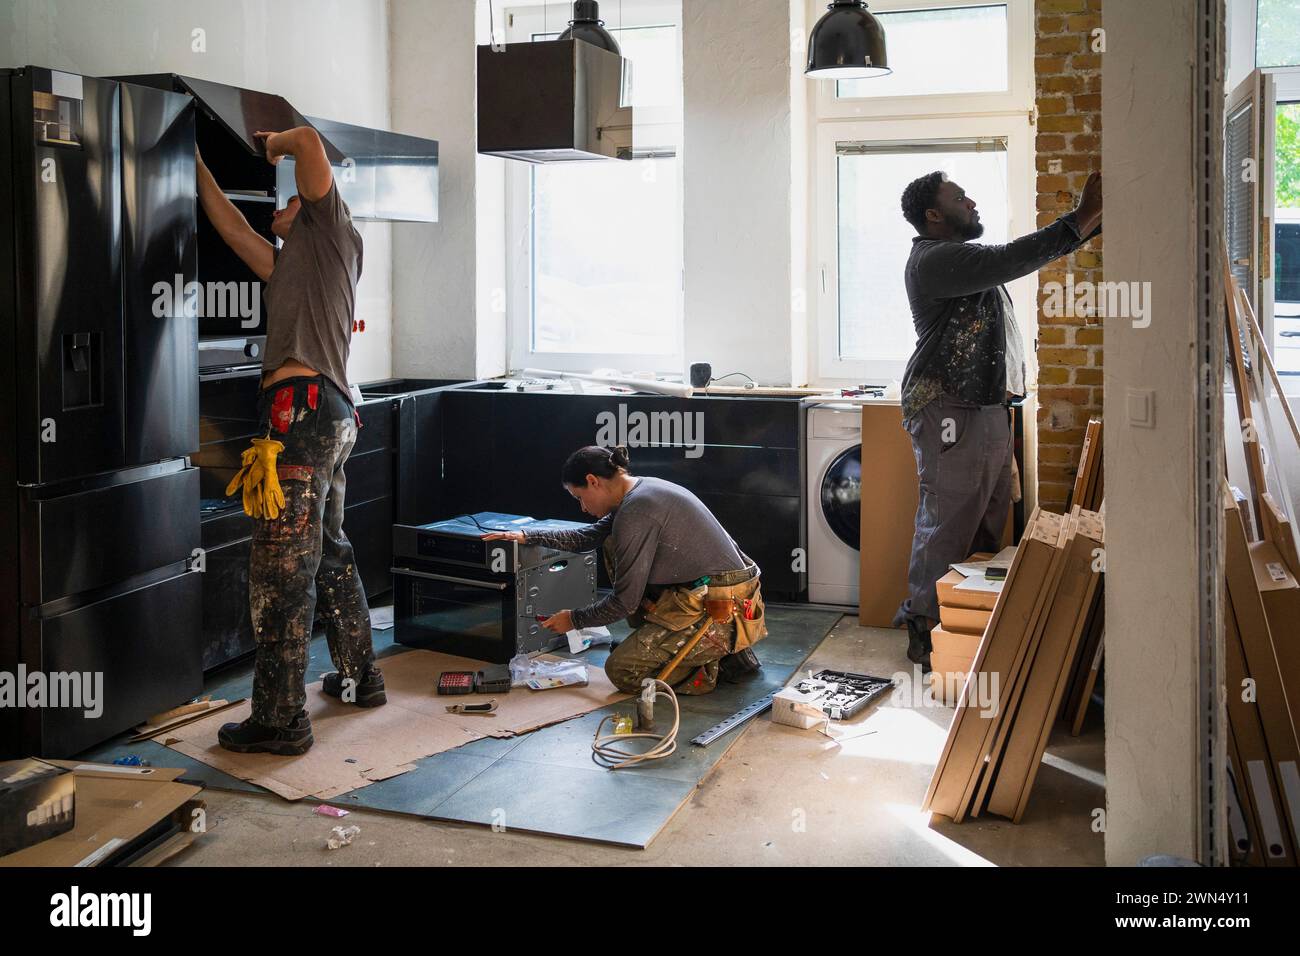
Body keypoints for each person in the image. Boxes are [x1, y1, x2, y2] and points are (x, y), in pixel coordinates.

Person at [196, 126, 383, 756]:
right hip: (328, 414)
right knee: (327, 554)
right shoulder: (293, 262)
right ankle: (363, 674)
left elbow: (306, 140)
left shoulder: (329, 228)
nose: (279, 204)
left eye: (290, 197)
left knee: (281, 569)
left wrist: (274, 142)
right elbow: (231, 229)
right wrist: (192, 165)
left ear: (312, 202)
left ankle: (280, 719)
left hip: (299, 418)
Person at [894, 169, 1103, 670]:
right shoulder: (937, 259)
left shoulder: (958, 260)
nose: (971, 200)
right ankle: (925, 626)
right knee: (948, 519)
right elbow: (1010, 259)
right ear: (933, 215)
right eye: (958, 197)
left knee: (989, 519)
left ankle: (970, 624)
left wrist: (1091, 223)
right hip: (948, 405)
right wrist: (1081, 219)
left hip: (982, 406)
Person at [483, 446, 767, 694]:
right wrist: (527, 536)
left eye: (580, 497)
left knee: (622, 671)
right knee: (608, 542)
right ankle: (701, 648)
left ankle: (716, 661)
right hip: (713, 592)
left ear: (593, 481)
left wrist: (574, 619)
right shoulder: (639, 491)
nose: (582, 507)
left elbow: (624, 602)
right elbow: (586, 538)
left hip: (723, 608)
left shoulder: (637, 511)